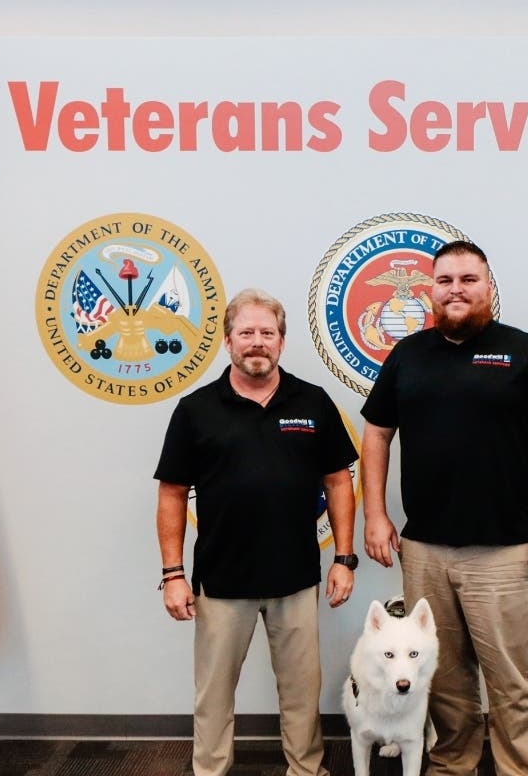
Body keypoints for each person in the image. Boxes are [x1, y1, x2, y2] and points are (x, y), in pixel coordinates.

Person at [360, 241, 528, 776]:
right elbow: (376, 434)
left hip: (502, 553)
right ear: (431, 290)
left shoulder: (524, 351)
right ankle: (452, 764)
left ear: (488, 286)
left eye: (468, 279)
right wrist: (375, 514)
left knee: (511, 681)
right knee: (443, 679)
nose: (456, 290)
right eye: (445, 280)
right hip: (424, 550)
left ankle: (522, 770)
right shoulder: (408, 355)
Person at [155, 288, 360, 776]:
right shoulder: (196, 409)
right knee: (213, 695)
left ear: (282, 342)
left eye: (268, 333)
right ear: (228, 341)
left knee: (302, 693)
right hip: (222, 580)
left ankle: (306, 770)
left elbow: (338, 481)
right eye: (246, 332)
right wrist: (173, 574)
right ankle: (210, 771)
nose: (257, 342)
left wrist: (344, 558)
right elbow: (172, 493)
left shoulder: (313, 401)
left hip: (296, 578)